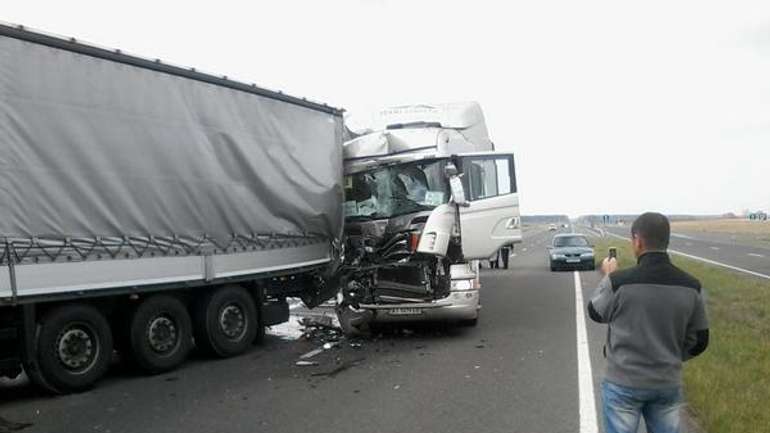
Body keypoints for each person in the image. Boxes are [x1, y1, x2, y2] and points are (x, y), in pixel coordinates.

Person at [588, 212, 709, 433]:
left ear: (638, 240)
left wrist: (608, 275)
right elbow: (700, 341)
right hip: (667, 382)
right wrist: (671, 356)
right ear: (666, 240)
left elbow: (595, 312)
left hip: (623, 382)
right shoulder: (692, 286)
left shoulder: (618, 282)